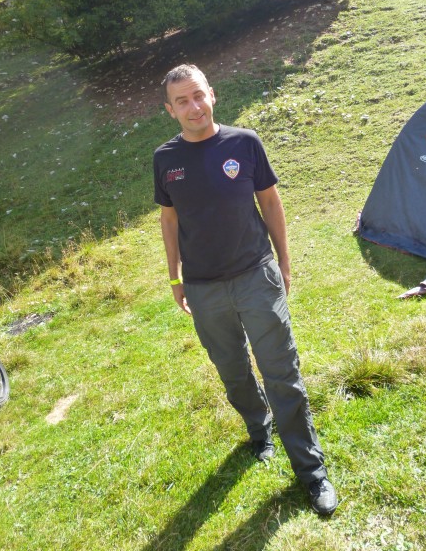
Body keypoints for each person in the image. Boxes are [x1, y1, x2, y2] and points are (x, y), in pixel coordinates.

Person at [153, 64, 338, 516]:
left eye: (199, 95)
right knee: (233, 371)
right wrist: (175, 278)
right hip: (203, 288)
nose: (194, 107)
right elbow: (169, 219)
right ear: (170, 110)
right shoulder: (165, 159)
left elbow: (270, 201)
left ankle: (311, 472)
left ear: (212, 94)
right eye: (182, 101)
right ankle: (260, 429)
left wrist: (284, 261)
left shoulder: (245, 143)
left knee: (281, 373)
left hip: (256, 275)